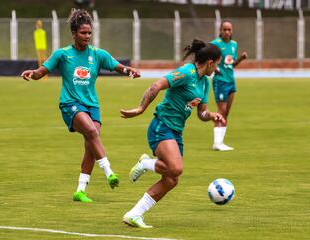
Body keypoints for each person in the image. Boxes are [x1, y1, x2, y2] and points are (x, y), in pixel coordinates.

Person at [21, 8, 140, 203]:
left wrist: (129, 71)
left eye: (89, 33)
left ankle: (80, 190)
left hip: (92, 105)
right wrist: (32, 74)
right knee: (93, 133)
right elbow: (42, 71)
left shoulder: (97, 54)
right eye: (83, 33)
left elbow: (118, 66)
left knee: (91, 145)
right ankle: (109, 172)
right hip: (70, 104)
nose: (87, 36)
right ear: (74, 33)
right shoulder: (62, 54)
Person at [120, 39, 224, 228]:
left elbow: (201, 113)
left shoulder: (204, 84)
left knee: (172, 179)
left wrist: (212, 116)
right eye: (217, 64)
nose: (217, 68)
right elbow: (156, 85)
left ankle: (134, 214)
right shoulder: (186, 72)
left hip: (176, 132)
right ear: (210, 62)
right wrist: (141, 108)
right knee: (176, 168)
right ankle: (146, 163)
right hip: (162, 125)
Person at [211, 20, 247, 151]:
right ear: (220, 30)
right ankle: (216, 143)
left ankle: (220, 142)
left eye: (229, 30)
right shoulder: (215, 44)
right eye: (224, 29)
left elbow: (231, 64)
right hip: (220, 81)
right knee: (221, 111)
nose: (227, 32)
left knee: (227, 112)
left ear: (232, 31)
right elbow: (205, 57)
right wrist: (214, 69)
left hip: (231, 81)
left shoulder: (233, 45)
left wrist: (241, 59)